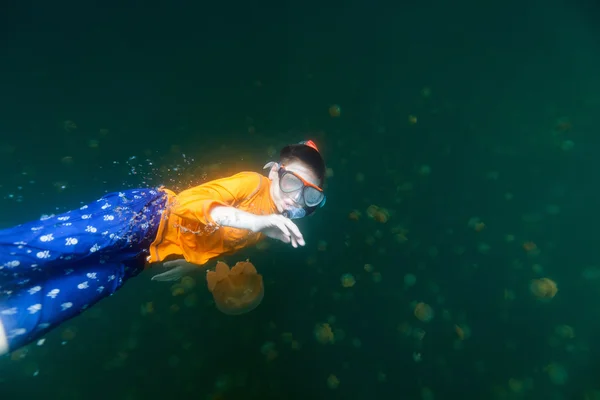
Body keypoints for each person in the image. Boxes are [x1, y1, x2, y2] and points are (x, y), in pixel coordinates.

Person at [0, 140, 327, 356]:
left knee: (58, 304)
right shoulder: (252, 184)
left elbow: (222, 244)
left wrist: (191, 261)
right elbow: (187, 203)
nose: (294, 197)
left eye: (308, 195)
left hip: (144, 258)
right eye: (291, 182)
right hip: (144, 216)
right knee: (43, 247)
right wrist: (254, 222)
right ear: (274, 172)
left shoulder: (265, 229)